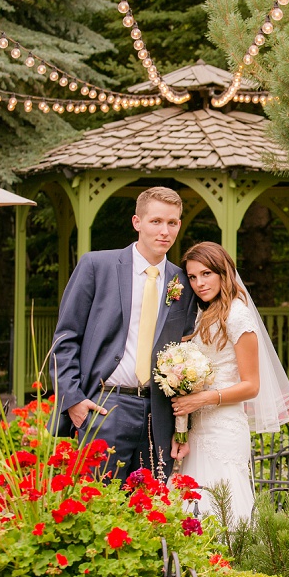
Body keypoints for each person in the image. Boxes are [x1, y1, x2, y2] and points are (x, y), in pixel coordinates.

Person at [51, 186, 199, 479]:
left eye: (172, 223)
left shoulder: (183, 281)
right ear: (137, 222)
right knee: (95, 510)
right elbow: (65, 338)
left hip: (158, 416)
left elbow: (188, 357)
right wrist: (74, 401)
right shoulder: (97, 266)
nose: (164, 231)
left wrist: (182, 429)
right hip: (104, 408)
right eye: (156, 221)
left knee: (148, 513)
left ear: (179, 225)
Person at [175, 241, 289, 526]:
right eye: (192, 277)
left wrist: (201, 399)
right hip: (196, 426)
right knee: (193, 507)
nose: (199, 283)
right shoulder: (204, 312)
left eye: (206, 274)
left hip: (224, 428)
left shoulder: (238, 315)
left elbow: (251, 386)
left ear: (223, 272)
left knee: (222, 510)